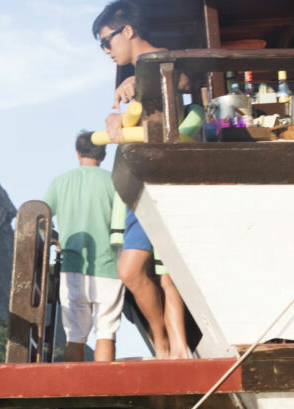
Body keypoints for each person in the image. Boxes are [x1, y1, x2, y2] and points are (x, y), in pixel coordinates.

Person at [93, 0, 190, 359]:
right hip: (141, 183)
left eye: (107, 41)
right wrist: (111, 118)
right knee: (130, 272)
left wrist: (145, 76)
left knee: (168, 268)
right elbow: (119, 116)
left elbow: (182, 81)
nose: (105, 50)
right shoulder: (127, 74)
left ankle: (172, 345)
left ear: (128, 32)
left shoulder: (164, 59)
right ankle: (160, 339)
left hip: (167, 178)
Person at [43, 132, 124, 362]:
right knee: (106, 332)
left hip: (72, 266)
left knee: (74, 336)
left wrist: (53, 238)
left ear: (77, 153)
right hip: (109, 267)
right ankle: (105, 392)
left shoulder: (60, 182)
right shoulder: (115, 181)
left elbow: (40, 218)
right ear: (103, 154)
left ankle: (73, 393)